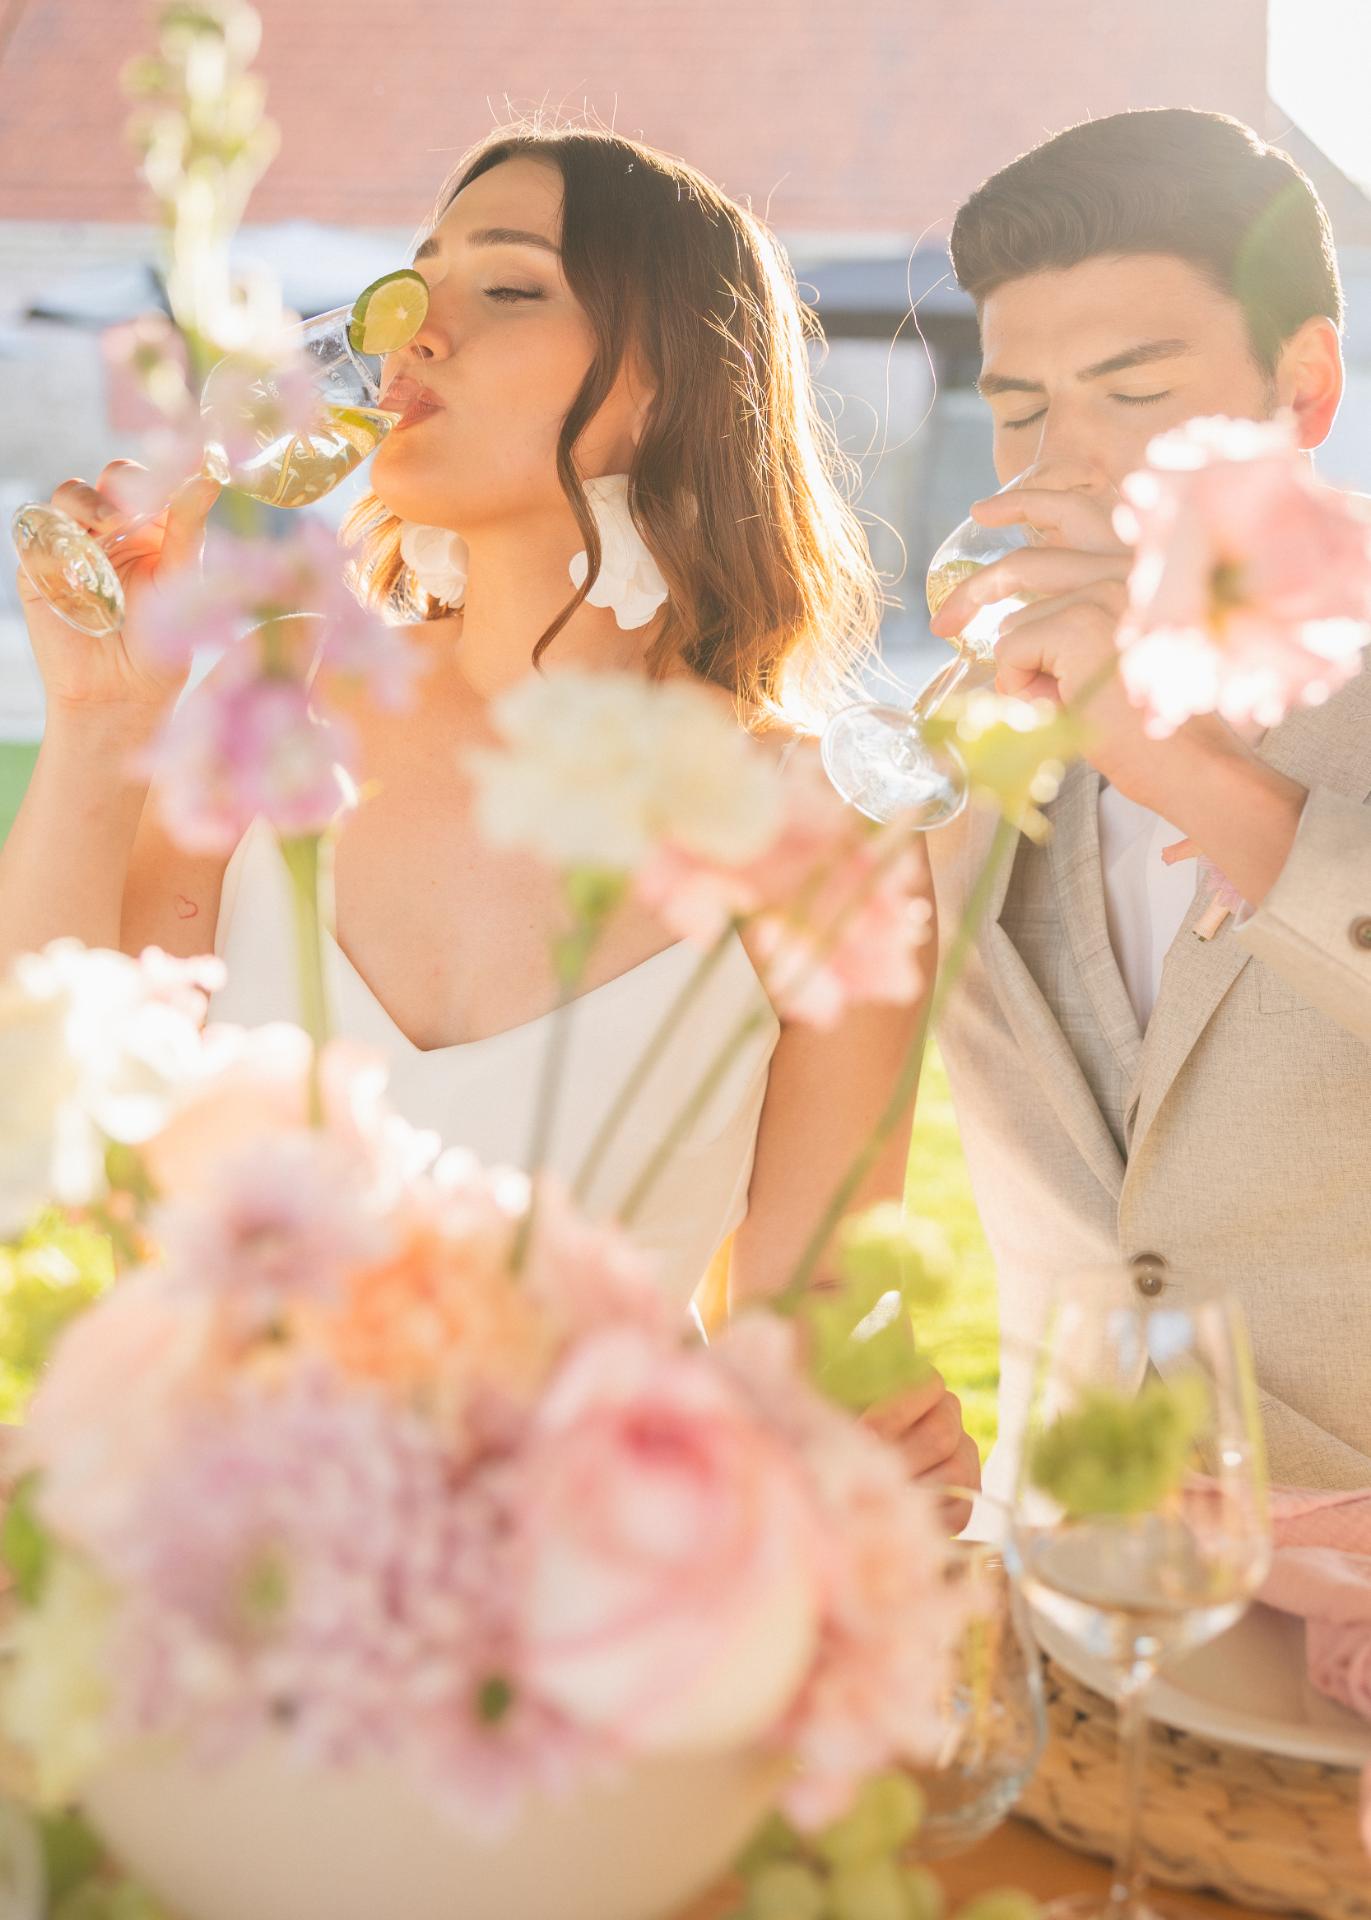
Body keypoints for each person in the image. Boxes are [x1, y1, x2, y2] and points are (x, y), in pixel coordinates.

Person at [0, 125, 979, 1501]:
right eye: (413, 280)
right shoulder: (278, 695)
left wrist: (888, 1443)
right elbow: (52, 1100)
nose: (411, 332)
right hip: (193, 1555)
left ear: (671, 376)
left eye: (508, 287)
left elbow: (807, 1324)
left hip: (582, 1613)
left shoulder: (821, 830)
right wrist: (101, 724)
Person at [927, 107, 1371, 1496]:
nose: (1071, 459)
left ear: (1304, 392)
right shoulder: (960, 741)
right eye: (1019, 408)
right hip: (1068, 1596)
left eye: (1134, 391)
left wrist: (1161, 750)